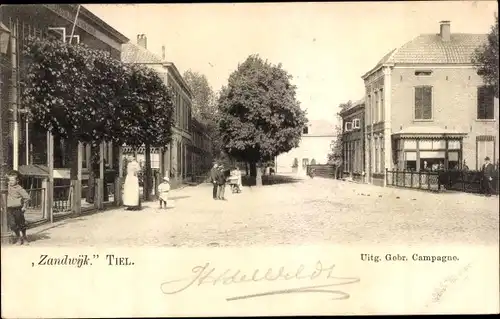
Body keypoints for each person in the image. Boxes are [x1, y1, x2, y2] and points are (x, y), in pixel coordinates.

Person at [6, 170, 31, 245]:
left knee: (21, 224)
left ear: (17, 180)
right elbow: (5, 176)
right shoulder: (8, 186)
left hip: (18, 209)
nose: (10, 182)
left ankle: (24, 237)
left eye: (12, 180)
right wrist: (9, 175)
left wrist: (24, 207)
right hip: (10, 209)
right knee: (12, 224)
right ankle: (18, 237)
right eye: (10, 180)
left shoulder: (19, 188)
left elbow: (27, 198)